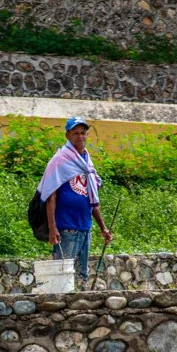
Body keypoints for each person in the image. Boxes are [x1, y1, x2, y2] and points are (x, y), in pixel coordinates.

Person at [37, 116, 113, 286]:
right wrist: (52, 228)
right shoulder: (60, 160)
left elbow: (92, 199)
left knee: (82, 277)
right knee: (62, 276)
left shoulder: (86, 162)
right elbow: (51, 196)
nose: (80, 136)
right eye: (75, 133)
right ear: (67, 136)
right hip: (66, 228)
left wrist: (103, 228)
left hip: (85, 227)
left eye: (83, 133)